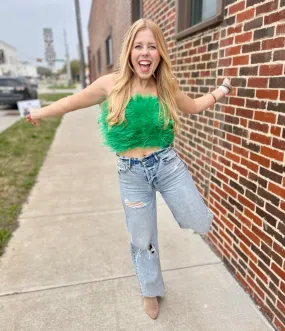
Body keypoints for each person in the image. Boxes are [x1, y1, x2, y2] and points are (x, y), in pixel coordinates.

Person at [26, 18, 232, 320]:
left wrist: (222, 90)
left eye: (152, 46)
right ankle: (150, 290)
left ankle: (170, 246)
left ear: (160, 53)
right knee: (142, 238)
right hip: (132, 174)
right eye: (139, 46)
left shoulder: (165, 88)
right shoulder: (111, 84)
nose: (145, 52)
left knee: (199, 220)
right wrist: (41, 112)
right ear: (129, 52)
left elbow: (196, 106)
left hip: (167, 165)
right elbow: (72, 101)